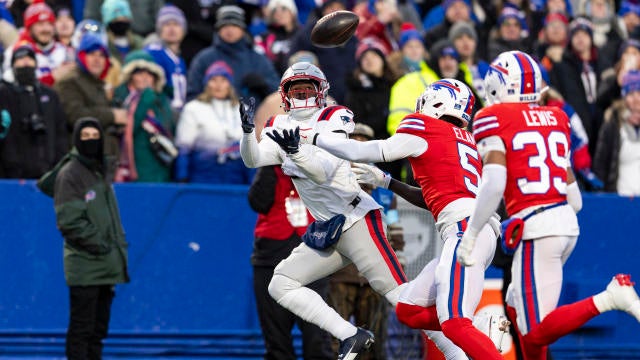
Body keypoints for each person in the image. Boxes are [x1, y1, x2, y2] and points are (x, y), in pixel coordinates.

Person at [457, 50, 640, 360]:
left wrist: (472, 234)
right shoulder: (556, 116)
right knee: (515, 303)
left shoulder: (493, 118)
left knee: (535, 330)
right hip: (566, 223)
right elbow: (576, 199)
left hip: (537, 227)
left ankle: (610, 299)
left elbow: (495, 182)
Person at [309, 78, 507, 359]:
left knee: (455, 323)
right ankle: (479, 327)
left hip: (465, 231)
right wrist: (387, 181)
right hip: (473, 229)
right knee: (409, 310)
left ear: (437, 100)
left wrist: (314, 137)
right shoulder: (466, 140)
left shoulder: (424, 126)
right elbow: (435, 198)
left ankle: (477, 330)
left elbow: (362, 151)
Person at [239, 61, 407, 360]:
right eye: (295, 88)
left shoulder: (333, 117)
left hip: (356, 220)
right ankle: (351, 335)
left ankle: (457, 342)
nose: (302, 93)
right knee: (281, 284)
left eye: (308, 87)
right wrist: (248, 132)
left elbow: (321, 172)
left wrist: (295, 152)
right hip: (328, 229)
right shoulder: (280, 125)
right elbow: (253, 160)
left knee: (401, 299)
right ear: (284, 93)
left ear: (321, 91)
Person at [38, 117, 129, 360]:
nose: (91, 141)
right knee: (82, 329)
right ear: (77, 141)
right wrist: (102, 245)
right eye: (85, 137)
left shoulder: (99, 171)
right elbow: (70, 221)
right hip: (85, 263)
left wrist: (112, 250)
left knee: (98, 331)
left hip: (105, 263)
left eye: (94, 136)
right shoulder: (71, 174)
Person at [327, 123, 405, 360]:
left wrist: (397, 262)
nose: (359, 148)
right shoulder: (333, 183)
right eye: (355, 142)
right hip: (341, 272)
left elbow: (395, 230)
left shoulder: (383, 189)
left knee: (374, 342)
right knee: (337, 339)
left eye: (364, 143)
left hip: (374, 277)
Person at [248, 164, 334, 360]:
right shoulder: (269, 166)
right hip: (271, 257)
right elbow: (258, 202)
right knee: (277, 341)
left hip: (312, 257)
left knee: (317, 337)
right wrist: (269, 163)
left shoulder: (318, 164)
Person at [175, 60, 254, 184]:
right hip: (203, 178)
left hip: (236, 179)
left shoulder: (243, 110)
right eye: (213, 80)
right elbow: (184, 148)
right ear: (207, 84)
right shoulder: (193, 108)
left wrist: (253, 181)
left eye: (223, 80)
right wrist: (182, 177)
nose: (218, 85)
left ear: (230, 84)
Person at [0, 43, 68, 178]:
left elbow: (60, 132)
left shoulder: (50, 95)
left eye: (30, 58)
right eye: (20, 59)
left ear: (36, 64)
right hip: (13, 171)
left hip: (48, 168)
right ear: (12, 65)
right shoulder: (5, 94)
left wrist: (59, 165)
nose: (26, 62)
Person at [186, 5, 280, 104]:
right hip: (212, 117)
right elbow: (192, 95)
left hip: (253, 117)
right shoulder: (204, 59)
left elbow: (279, 94)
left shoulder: (259, 60)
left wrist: (264, 85)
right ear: (218, 29)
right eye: (225, 26)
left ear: (242, 29)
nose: (230, 30)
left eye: (235, 26)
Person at [55, 33, 128, 158]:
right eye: (92, 54)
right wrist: (113, 115)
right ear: (82, 56)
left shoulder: (100, 85)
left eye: (101, 55)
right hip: (81, 158)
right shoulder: (69, 81)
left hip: (104, 157)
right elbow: (75, 115)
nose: (97, 59)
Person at [111, 49, 175, 183]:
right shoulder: (121, 98)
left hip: (160, 163)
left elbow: (169, 129)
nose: (145, 78)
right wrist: (145, 100)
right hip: (135, 165)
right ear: (130, 76)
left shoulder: (162, 100)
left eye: (149, 74)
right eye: (139, 73)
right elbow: (128, 129)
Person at [2, 0, 73, 86]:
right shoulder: (16, 52)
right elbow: (11, 85)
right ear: (30, 28)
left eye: (49, 24)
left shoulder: (65, 51)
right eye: (40, 24)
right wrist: (51, 78)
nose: (45, 29)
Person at [593, 69, 640, 196]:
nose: (636, 100)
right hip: (621, 198)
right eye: (631, 94)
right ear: (624, 98)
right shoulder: (613, 124)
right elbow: (600, 167)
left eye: (639, 93)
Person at [144, 4, 188, 112]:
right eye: (167, 24)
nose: (172, 29)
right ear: (159, 29)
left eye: (176, 24)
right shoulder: (153, 53)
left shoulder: (179, 59)